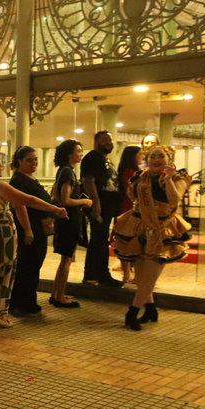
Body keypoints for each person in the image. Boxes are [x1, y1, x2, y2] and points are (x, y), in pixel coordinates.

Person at [0, 154, 67, 328]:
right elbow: (28, 200)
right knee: (4, 272)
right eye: (0, 165)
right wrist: (55, 209)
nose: (2, 168)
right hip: (3, 235)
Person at [112, 145, 191, 330]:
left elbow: (174, 199)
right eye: (152, 156)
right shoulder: (141, 177)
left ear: (169, 159)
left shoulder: (178, 177)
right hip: (138, 227)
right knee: (141, 276)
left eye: (160, 156)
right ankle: (150, 309)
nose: (156, 159)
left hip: (161, 229)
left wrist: (168, 178)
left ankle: (132, 313)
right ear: (146, 160)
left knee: (150, 276)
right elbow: (133, 198)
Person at [9, 146, 59, 316]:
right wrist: (28, 230)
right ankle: (23, 304)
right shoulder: (19, 181)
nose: (34, 163)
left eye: (35, 159)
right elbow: (20, 206)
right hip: (30, 228)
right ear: (19, 162)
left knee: (33, 266)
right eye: (29, 160)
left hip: (39, 227)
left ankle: (26, 303)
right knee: (27, 266)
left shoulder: (30, 178)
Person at [51, 139, 93, 308]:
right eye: (78, 151)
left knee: (65, 259)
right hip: (69, 220)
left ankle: (56, 294)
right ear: (70, 154)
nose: (81, 154)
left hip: (65, 220)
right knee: (67, 260)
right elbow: (65, 199)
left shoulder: (63, 170)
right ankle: (60, 297)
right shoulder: (68, 172)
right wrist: (85, 201)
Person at [80, 131, 123, 287]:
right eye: (105, 140)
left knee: (101, 239)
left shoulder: (105, 160)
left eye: (110, 140)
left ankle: (98, 274)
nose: (109, 143)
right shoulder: (92, 158)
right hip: (100, 206)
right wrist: (96, 203)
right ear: (96, 141)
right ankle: (96, 275)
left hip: (107, 207)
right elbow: (88, 181)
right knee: (98, 240)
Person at [116, 146, 141, 285]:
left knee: (125, 243)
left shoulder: (125, 171)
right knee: (130, 243)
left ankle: (128, 274)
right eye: (139, 155)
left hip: (125, 209)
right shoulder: (131, 173)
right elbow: (131, 193)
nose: (141, 157)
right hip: (130, 210)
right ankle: (129, 274)